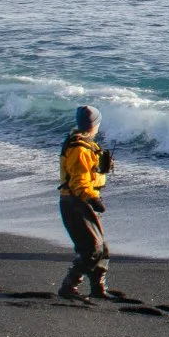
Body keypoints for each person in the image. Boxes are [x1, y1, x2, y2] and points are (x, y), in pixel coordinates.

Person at [57, 105, 113, 301]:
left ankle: (98, 288)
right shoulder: (79, 148)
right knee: (91, 248)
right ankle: (69, 286)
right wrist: (92, 198)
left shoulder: (86, 145)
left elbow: (87, 175)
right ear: (94, 124)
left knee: (102, 249)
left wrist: (101, 172)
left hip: (80, 201)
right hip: (75, 202)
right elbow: (79, 183)